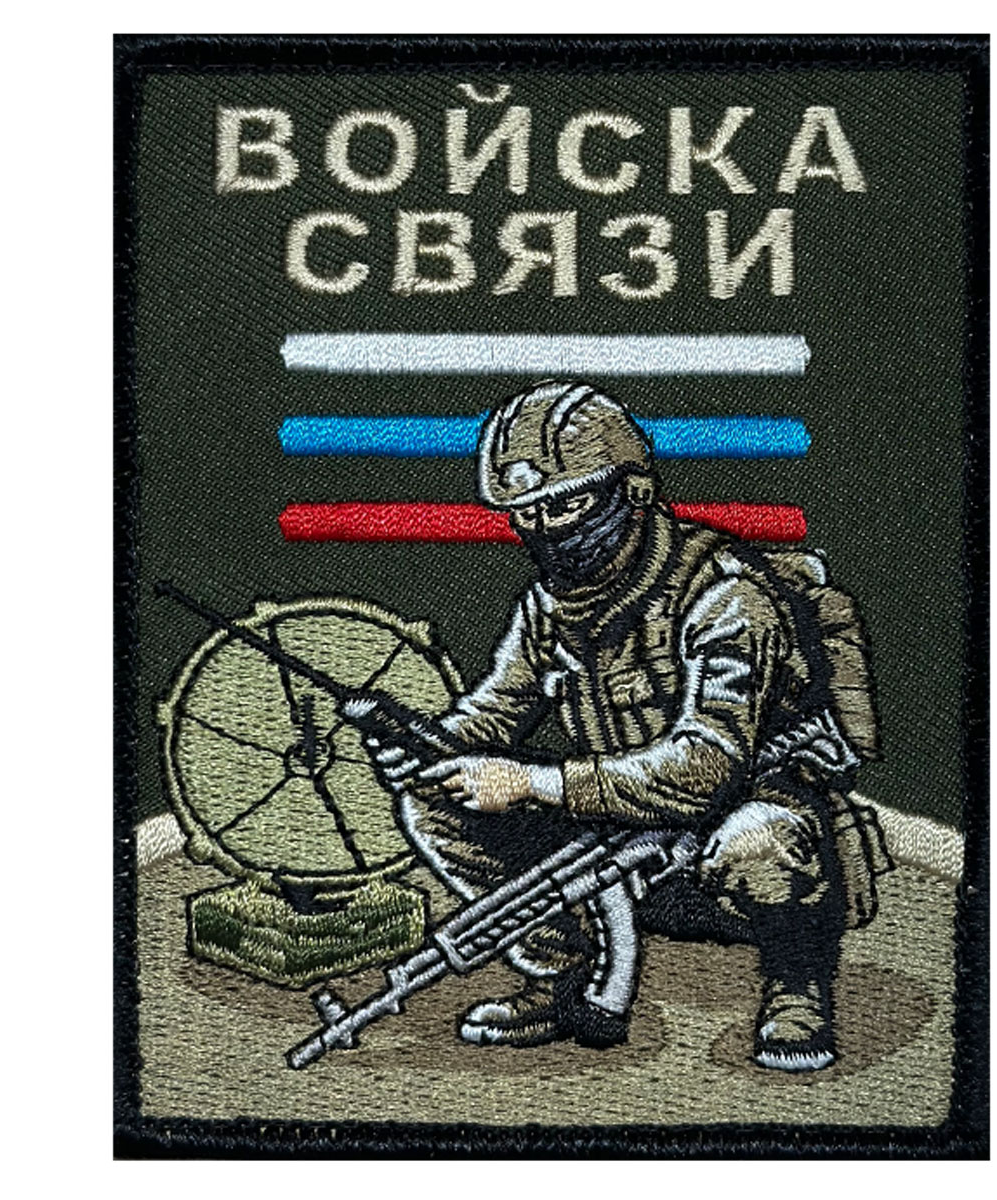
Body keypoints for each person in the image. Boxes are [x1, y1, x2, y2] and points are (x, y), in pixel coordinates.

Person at [367, 380, 891, 1071]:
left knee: (759, 839)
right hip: (618, 826)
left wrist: (534, 783)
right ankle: (561, 975)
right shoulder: (550, 609)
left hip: (740, 818)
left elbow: (708, 766)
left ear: (633, 490)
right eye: (527, 514)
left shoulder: (723, 593)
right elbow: (495, 712)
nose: (548, 530)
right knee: (435, 803)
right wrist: (428, 750)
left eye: (566, 505)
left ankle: (797, 984)